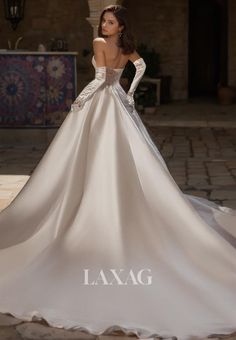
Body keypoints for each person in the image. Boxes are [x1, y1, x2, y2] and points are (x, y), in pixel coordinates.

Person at [0, 4, 235, 340]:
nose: (104, 25)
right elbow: (139, 65)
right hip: (118, 107)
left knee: (95, 154)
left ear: (121, 27)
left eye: (110, 22)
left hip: (99, 105)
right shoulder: (125, 49)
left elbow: (98, 79)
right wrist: (128, 94)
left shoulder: (99, 43)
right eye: (103, 21)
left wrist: (79, 101)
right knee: (122, 154)